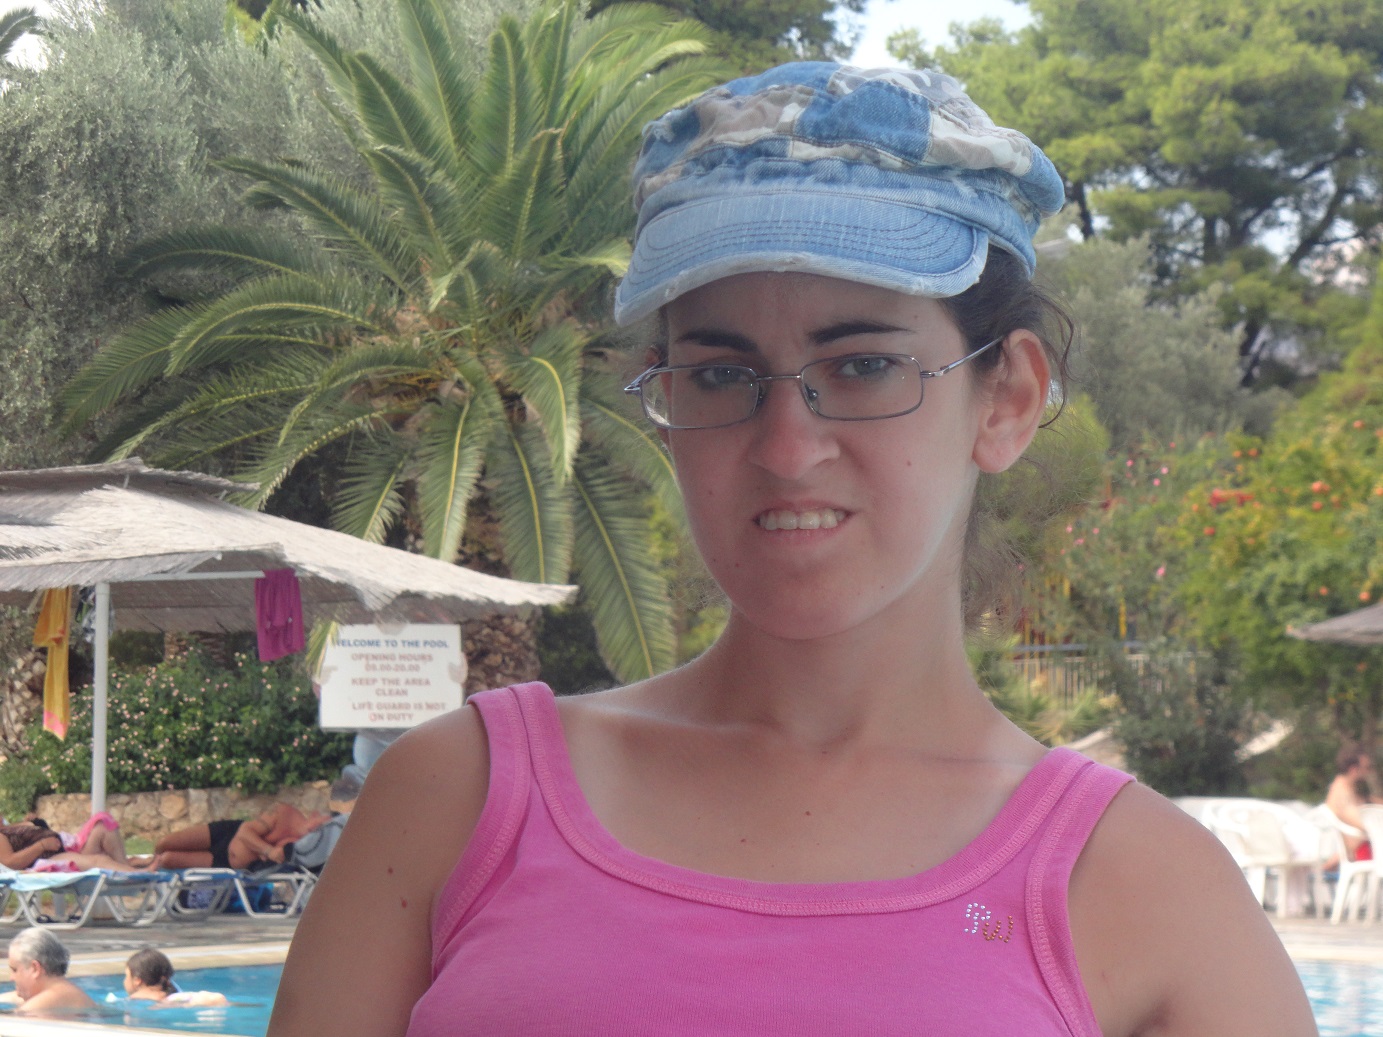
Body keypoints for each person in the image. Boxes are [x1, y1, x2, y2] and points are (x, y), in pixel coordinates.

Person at [268, 62, 1317, 1037]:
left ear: (1007, 398)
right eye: (721, 374)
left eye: (862, 365)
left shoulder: (1147, 890)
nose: (785, 447)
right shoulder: (454, 801)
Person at [154, 802, 329, 871]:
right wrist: (268, 850)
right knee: (164, 843)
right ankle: (147, 864)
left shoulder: (302, 846)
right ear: (314, 814)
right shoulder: (284, 813)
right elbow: (245, 832)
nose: (320, 830)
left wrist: (268, 855)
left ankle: (150, 864)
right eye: (322, 824)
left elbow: (275, 860)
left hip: (226, 863)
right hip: (226, 834)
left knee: (167, 859)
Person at [0, 818, 155, 873]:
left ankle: (125, 865)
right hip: (48, 859)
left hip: (65, 847)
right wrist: (41, 846)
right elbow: (11, 862)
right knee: (99, 861)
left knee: (103, 827)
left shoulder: (10, 828)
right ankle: (137, 873)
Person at [4, 927, 96, 1015]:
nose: (11, 978)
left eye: (15, 970)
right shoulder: (71, 993)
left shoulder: (34, 1009)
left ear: (35, 969)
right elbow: (14, 997)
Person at [1325, 743, 1380, 861]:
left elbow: (1370, 803)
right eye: (1367, 768)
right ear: (1353, 769)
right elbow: (1367, 824)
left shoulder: (1348, 788)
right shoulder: (1342, 793)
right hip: (1364, 851)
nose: (1368, 772)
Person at [123, 948, 228, 1007]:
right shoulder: (179, 997)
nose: (124, 981)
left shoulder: (133, 1002)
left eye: (126, 976)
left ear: (137, 980)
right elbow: (217, 999)